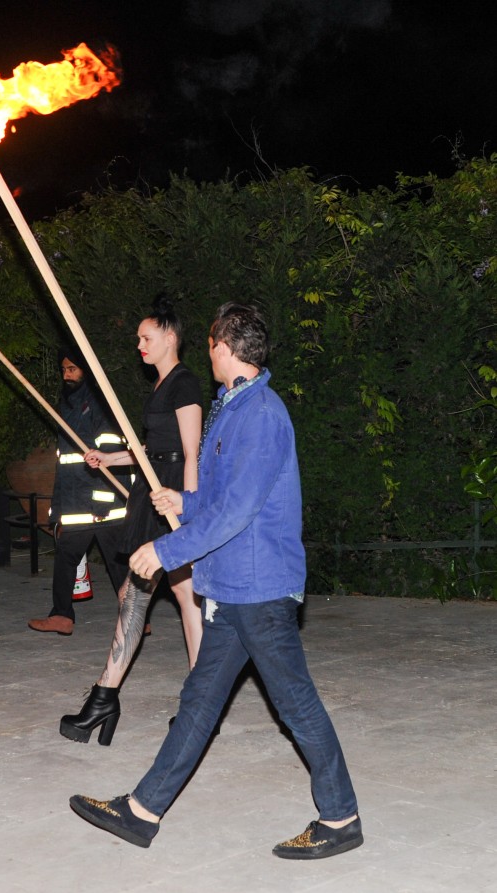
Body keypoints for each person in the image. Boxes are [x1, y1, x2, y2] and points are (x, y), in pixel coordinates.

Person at [69, 302, 363, 860]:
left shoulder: (262, 415)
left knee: (296, 706)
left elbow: (239, 514)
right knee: (201, 700)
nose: (209, 354)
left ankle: (340, 817)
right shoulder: (237, 408)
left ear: (224, 348)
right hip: (232, 587)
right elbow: (223, 502)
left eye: (210, 345)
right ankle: (141, 811)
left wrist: (167, 547)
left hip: (259, 588)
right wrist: (185, 500)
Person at [59, 296, 204, 746]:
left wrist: (188, 505)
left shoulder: (185, 385)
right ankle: (111, 696)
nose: (139, 344)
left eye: (146, 337)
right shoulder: (161, 386)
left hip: (169, 496)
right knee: (146, 591)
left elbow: (190, 453)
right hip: (151, 490)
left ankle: (183, 704)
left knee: (179, 595)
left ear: (170, 337)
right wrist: (111, 458)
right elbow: (150, 451)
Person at [28, 347, 129, 635]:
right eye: (64, 369)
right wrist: (60, 505)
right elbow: (68, 461)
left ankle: (136, 616)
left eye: (72, 368)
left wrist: (102, 503)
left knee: (117, 563)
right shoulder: (69, 403)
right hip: (75, 501)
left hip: (101, 505)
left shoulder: (99, 403)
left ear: (86, 370)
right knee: (67, 558)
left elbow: (110, 454)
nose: (67, 374)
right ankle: (62, 615)